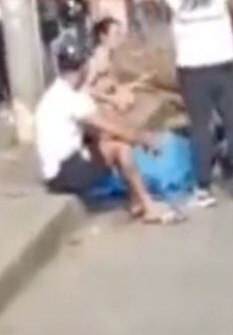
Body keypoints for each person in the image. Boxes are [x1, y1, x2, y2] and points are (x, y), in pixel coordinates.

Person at [153, 0, 233, 206]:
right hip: (222, 53)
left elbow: (158, 2)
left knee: (200, 126)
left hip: (190, 58)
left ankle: (203, 187)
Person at [35, 43, 178, 224]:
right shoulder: (72, 99)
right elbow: (109, 127)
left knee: (112, 141)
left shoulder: (55, 93)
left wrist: (128, 136)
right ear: (84, 67)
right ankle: (148, 205)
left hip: (55, 171)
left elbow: (98, 133)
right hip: (64, 173)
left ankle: (136, 201)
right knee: (120, 149)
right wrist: (143, 139)